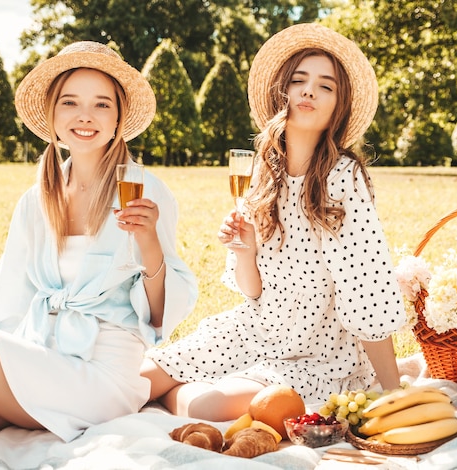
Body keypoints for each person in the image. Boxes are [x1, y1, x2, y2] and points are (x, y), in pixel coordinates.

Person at [141, 22, 406, 421]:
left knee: (213, 406)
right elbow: (253, 292)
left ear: (339, 106)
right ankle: (171, 392)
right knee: (140, 378)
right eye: (299, 80)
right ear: (282, 91)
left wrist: (394, 392)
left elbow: (366, 290)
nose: (309, 90)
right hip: (255, 328)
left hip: (318, 349)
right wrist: (244, 251)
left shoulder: (342, 177)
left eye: (326, 85)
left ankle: (177, 398)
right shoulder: (264, 173)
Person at [0, 41, 197, 442]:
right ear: (53, 113)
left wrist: (149, 241)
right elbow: (8, 302)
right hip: (42, 356)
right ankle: (31, 408)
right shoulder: (36, 200)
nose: (85, 116)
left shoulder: (144, 189)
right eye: (70, 102)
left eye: (102, 104)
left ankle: (43, 405)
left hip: (102, 374)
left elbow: (160, 318)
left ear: (119, 116)